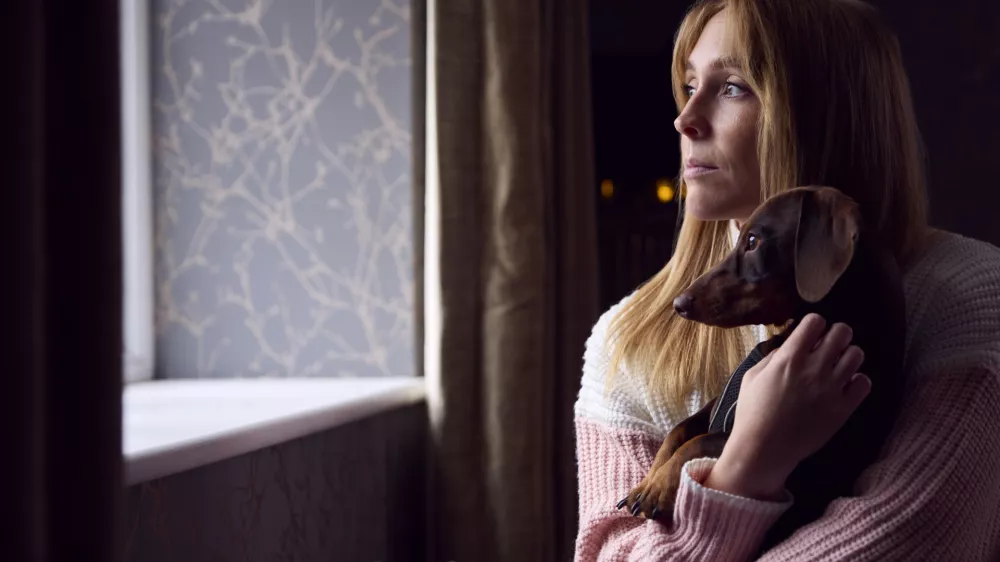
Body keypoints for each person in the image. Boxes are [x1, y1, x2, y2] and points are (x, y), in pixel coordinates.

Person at [573, 0, 1000, 560]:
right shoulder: (627, 339)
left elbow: (910, 542)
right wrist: (748, 462)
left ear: (826, 112)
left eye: (732, 87)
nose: (685, 118)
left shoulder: (971, 297)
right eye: (689, 83)